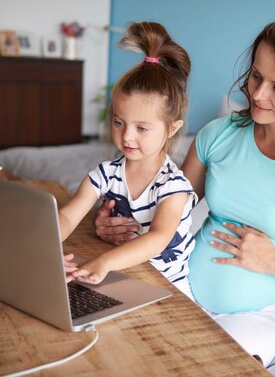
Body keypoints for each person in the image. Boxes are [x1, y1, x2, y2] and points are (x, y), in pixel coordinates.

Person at [94, 16, 275, 370]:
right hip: (185, 292)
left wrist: (274, 261)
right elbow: (166, 210)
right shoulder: (219, 135)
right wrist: (116, 224)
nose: (257, 93)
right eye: (255, 76)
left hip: (265, 315)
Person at [60, 21, 196, 296]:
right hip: (123, 278)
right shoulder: (106, 173)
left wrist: (104, 262)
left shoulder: (174, 187)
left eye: (142, 128)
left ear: (172, 128)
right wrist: (45, 247)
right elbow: (67, 215)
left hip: (169, 292)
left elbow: (157, 239)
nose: (127, 137)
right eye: (119, 122)